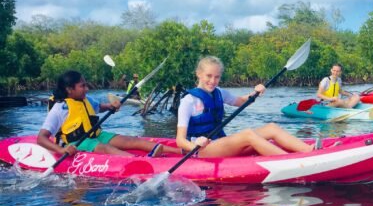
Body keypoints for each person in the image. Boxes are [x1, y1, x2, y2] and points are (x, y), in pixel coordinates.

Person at [176, 56, 314, 157]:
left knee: (271, 127)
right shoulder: (189, 101)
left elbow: (241, 101)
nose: (213, 81)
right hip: (201, 150)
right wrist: (195, 146)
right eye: (209, 76)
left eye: (217, 77)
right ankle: (290, 163)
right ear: (198, 74)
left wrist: (255, 93)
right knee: (248, 134)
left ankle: (310, 151)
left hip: (219, 143)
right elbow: (180, 140)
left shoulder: (219, 93)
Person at [37, 70, 182, 157]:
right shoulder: (60, 108)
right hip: (75, 142)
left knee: (131, 140)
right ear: (69, 89)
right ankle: (140, 162)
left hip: (96, 134)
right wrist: (62, 151)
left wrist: (111, 106)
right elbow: (41, 138)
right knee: (104, 148)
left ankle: (180, 152)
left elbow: (100, 107)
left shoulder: (86, 99)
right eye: (82, 86)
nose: (86, 88)